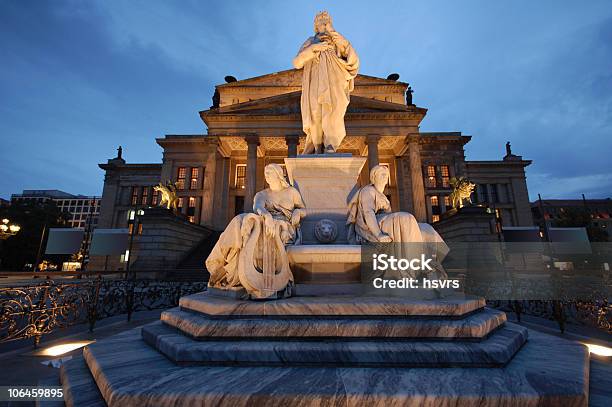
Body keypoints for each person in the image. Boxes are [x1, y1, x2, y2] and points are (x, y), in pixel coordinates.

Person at [206, 164, 306, 299]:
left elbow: (304, 210)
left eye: (270, 172)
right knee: (239, 220)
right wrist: (266, 215)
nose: (267, 175)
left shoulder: (292, 192)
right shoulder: (262, 194)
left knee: (255, 228)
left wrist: (298, 212)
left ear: (278, 174)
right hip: (264, 221)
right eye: (265, 173)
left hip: (284, 227)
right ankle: (218, 263)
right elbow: (257, 207)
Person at [293, 11, 360, 154]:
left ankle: (330, 144)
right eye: (320, 21)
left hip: (333, 82)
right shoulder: (311, 41)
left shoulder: (337, 41)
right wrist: (314, 49)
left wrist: (333, 33)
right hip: (315, 82)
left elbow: (352, 58)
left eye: (326, 21)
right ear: (315, 26)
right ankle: (317, 146)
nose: (323, 23)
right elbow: (297, 62)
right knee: (316, 113)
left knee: (333, 112)